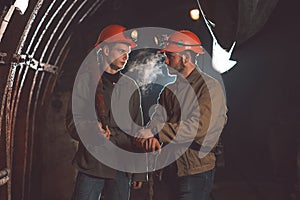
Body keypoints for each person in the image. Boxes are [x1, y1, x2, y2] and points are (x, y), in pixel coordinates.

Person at [135, 30, 227, 200]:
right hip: (169, 167)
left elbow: (200, 127)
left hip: (195, 170)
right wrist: (150, 136)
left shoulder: (209, 88)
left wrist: (157, 133)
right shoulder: (168, 91)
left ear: (186, 57)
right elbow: (157, 118)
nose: (166, 61)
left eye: (171, 56)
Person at [67, 24, 145, 200]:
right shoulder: (86, 82)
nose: (126, 56)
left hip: (121, 165)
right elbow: (73, 121)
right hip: (92, 164)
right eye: (120, 50)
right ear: (106, 50)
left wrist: (140, 171)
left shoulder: (130, 86)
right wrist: (91, 130)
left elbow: (138, 131)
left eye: (128, 52)